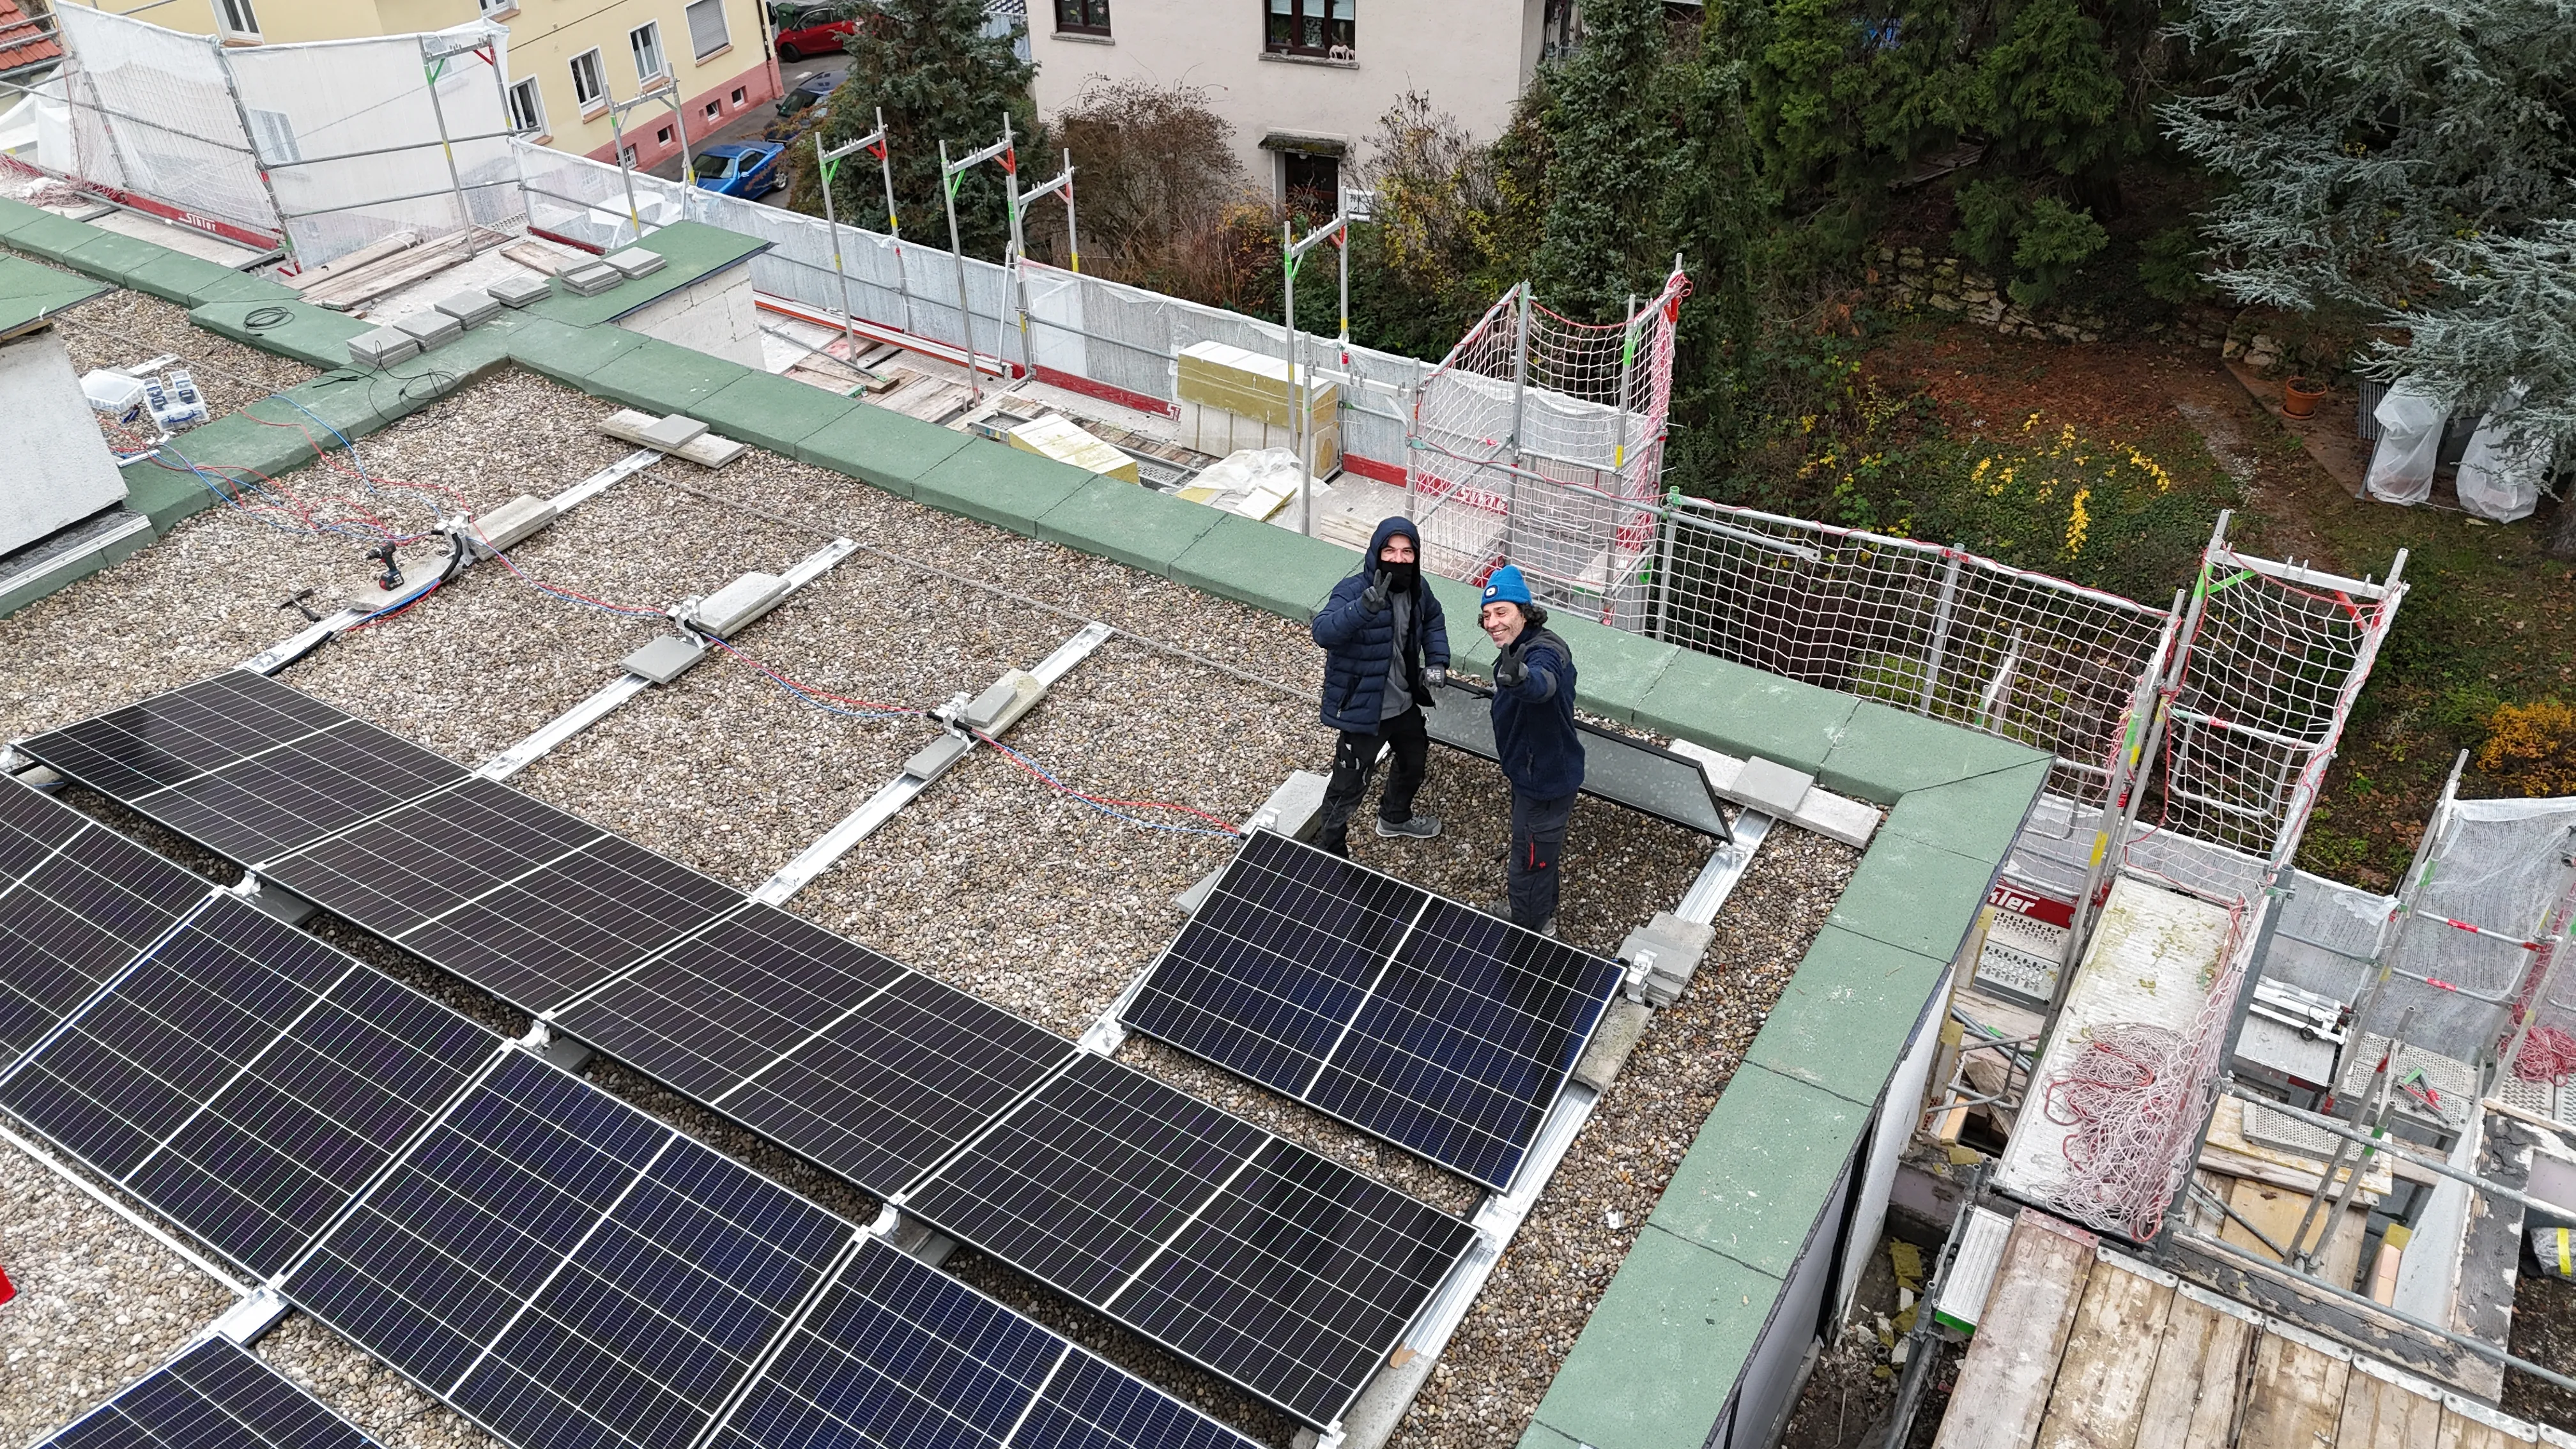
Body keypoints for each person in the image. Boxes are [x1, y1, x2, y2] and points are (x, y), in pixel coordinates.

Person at [1309, 518, 1450, 855]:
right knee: (1348, 786)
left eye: (1407, 552)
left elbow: (1433, 620)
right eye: (1390, 551)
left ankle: (1394, 818)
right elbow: (1323, 632)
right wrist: (1362, 609)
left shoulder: (1418, 588)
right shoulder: (1352, 590)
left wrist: (1437, 660)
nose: (1398, 559)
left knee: (1414, 762)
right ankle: (1331, 851)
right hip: (1364, 710)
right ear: (1376, 552)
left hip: (1405, 703)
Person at [1480, 565, 1583, 935]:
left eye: (1501, 612)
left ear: (1524, 612)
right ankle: (1542, 912)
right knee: (1540, 851)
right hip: (1530, 772)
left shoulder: (1543, 651)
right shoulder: (1519, 645)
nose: (1492, 623)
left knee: (1529, 859)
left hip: (1544, 780)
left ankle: (1529, 927)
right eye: (1487, 615)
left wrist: (1522, 680)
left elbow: (1544, 683)